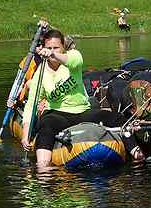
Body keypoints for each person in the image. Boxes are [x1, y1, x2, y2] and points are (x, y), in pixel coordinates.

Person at [21, 29, 144, 167]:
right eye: (49, 48)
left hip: (82, 111)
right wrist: (25, 136)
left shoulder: (73, 57)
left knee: (115, 117)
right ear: (43, 49)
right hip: (57, 114)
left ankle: (136, 154)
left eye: (56, 47)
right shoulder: (40, 73)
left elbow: (71, 61)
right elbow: (31, 105)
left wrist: (54, 54)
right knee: (46, 124)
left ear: (63, 47)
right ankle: (43, 167)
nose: (52, 51)